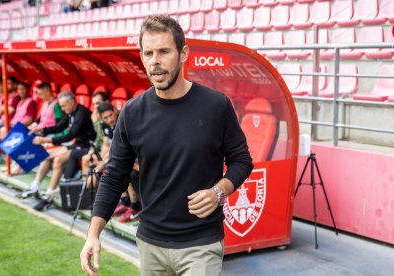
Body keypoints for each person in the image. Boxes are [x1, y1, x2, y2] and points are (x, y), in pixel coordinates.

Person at [80, 14, 253, 276]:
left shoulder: (216, 106)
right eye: (148, 53)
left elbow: (242, 161)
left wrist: (219, 192)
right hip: (151, 244)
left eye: (164, 51)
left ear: (183, 54)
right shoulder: (132, 112)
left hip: (201, 243)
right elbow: (114, 176)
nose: (155, 61)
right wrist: (93, 234)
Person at [28, 91, 96, 211]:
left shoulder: (82, 113)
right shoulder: (71, 112)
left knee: (58, 160)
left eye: (64, 106)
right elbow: (59, 126)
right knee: (45, 156)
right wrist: (42, 130)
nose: (63, 109)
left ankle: (49, 196)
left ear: (72, 102)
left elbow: (70, 135)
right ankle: (35, 187)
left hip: (87, 147)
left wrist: (44, 139)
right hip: (77, 145)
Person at [0, 76, 21, 165]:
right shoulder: (4, 97)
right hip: (2, 121)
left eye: (9, 84)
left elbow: (8, 112)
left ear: (15, 85)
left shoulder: (16, 97)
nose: (7, 86)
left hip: (11, 122)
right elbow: (1, 111)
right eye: (6, 84)